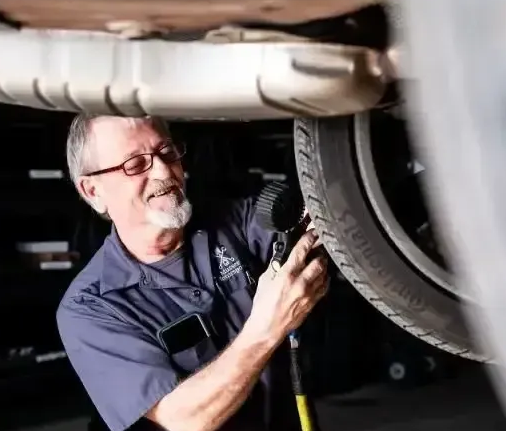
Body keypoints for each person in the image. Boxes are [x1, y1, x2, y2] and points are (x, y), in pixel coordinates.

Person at [56, 113, 329, 431]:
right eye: (135, 164)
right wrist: (268, 326)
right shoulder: (89, 308)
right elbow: (182, 420)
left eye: (167, 152)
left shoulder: (234, 223)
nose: (163, 171)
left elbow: (322, 220)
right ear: (92, 191)